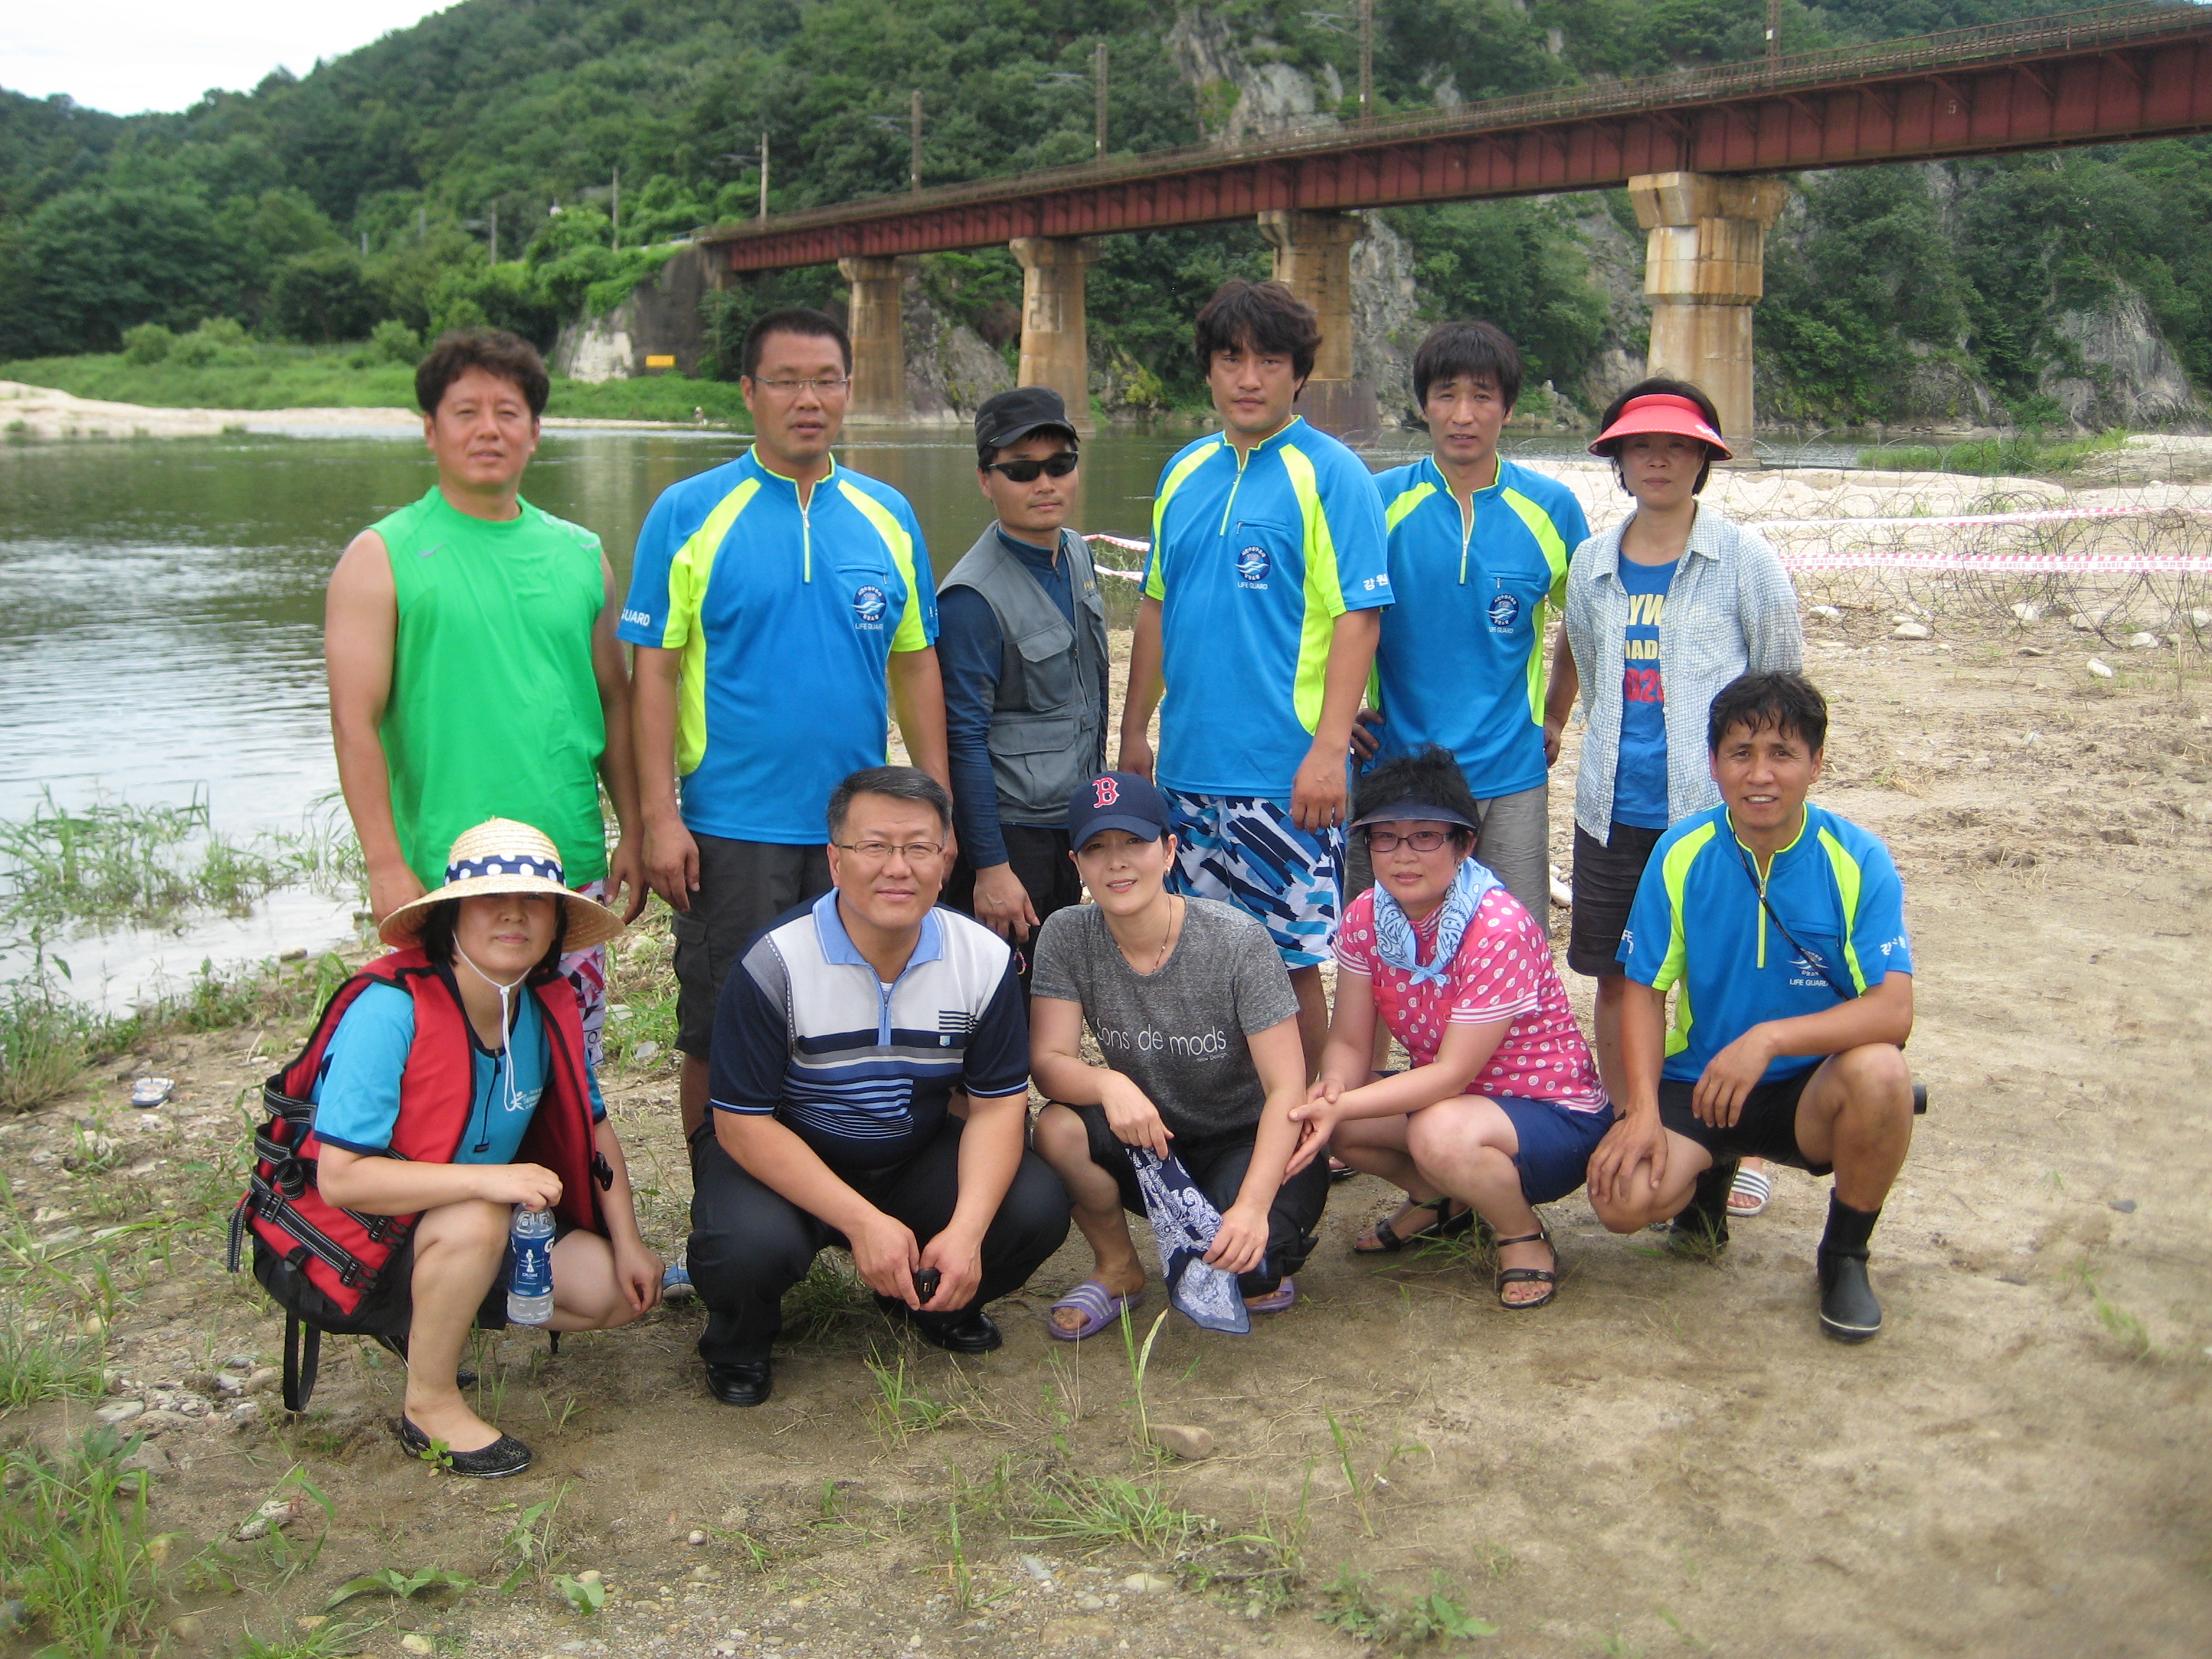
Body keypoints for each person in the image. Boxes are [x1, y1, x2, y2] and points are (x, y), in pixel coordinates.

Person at [619, 307, 953, 1149]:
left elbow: (916, 665)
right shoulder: (689, 511)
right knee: (721, 1027)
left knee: (848, 1019)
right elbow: (652, 673)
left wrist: (935, 810)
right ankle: (720, 1200)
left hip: (859, 835)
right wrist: (659, 817)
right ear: (749, 392)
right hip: (731, 829)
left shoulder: (886, 514)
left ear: (848, 390)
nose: (809, 400)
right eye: (787, 382)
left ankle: (830, 1185)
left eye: (826, 381)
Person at [684, 767, 1069, 1406]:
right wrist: (862, 1222)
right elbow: (741, 1125)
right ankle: (740, 1340)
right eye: (874, 846)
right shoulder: (775, 963)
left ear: (945, 862)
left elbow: (999, 1109)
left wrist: (967, 1231)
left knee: (1034, 1206)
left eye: (919, 847)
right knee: (744, 1245)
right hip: (788, 1158)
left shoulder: (983, 959)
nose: (898, 867)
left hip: (909, 1152)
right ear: (835, 861)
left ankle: (933, 1300)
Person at [325, 328, 645, 1076]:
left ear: (535, 432)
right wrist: (384, 862)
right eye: (465, 412)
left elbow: (614, 700)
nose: (488, 429)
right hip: (446, 867)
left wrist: (635, 826)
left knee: (570, 1061)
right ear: (430, 430)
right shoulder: (382, 555)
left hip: (567, 864)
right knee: (454, 1070)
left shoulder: (581, 554)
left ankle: (569, 1157)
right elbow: (353, 723)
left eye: (508, 412)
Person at [300, 820, 660, 1476]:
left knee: (610, 1290)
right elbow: (342, 1180)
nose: (514, 914)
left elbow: (596, 1127)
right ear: (453, 917)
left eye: (535, 901)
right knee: (477, 1214)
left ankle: (437, 1313)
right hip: (358, 1244)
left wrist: (630, 1242)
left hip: (465, 1227)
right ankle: (428, 1406)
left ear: (557, 924)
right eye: (491, 898)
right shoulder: (390, 1009)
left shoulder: (545, 1006)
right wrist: (489, 1181)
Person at [1586, 673, 1915, 1341]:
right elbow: (1644, 989)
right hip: (1702, 1081)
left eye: (1782, 753)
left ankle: (1844, 1255)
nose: (1760, 775)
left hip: (1808, 1091)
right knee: (1620, 1202)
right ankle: (1706, 1189)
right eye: (1740, 753)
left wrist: (1769, 1040)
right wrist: (1641, 1109)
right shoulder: (1680, 853)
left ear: (1816, 764)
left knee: (1883, 1073)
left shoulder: (1857, 858)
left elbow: (1893, 1012)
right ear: (1713, 764)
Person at [1120, 278, 1391, 1071]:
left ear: (1298, 374)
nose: (1248, 378)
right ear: (1207, 369)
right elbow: (1155, 608)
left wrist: (1329, 751)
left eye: (1269, 361)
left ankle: (1310, 1116)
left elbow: (1359, 616)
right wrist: (1134, 732)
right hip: (1187, 769)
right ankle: (1226, 1110)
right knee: (1192, 956)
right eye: (1230, 359)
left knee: (1289, 963)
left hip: (1285, 776)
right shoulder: (1183, 472)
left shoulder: (1331, 474)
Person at [1561, 377, 1803, 1224]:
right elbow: (1592, 674)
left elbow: (1781, 685)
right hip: (1611, 810)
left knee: (1721, 978)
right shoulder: (1592, 564)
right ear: (1619, 460)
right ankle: (1633, 1121)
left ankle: (1741, 1146)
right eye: (1640, 446)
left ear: (1704, 459)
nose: (1657, 460)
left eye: (1677, 446)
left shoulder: (1745, 560)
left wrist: (1764, 795)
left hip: (1712, 816)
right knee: (1617, 972)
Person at [1288, 750, 1609, 1307]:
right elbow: (1349, 1041)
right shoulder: (1366, 915)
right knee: (1334, 1115)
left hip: (1551, 1116)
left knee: (1433, 1132)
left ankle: (1520, 1232)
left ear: (1465, 844)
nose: (1402, 855)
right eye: (1385, 837)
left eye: (1425, 837)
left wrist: (1342, 1104)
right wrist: (1334, 1090)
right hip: (1452, 1105)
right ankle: (1441, 1200)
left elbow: (1452, 1074)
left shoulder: (1496, 927)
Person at [1030, 771, 1327, 1336]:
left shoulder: (1236, 940)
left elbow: (1286, 1088)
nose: (1117, 863)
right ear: (1077, 864)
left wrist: (1252, 1206)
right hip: (1154, 1140)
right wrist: (1109, 1084)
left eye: (1134, 842)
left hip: (1247, 1136)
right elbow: (1048, 1061)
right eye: (1096, 848)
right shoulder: (1067, 935)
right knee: (1058, 1128)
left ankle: (1258, 1239)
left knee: (1245, 1267)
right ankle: (1118, 1267)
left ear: (1169, 851)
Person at [1361, 321, 1588, 925]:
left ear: (1508, 408)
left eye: (1482, 396)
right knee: (1391, 946)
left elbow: (1587, 617)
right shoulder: (1376, 502)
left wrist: (1556, 713)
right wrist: (1333, 719)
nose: (1463, 415)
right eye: (1447, 395)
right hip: (1398, 768)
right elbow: (1329, 617)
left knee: (1512, 941)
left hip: (1511, 769)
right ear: (1423, 405)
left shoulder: (1551, 509)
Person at [938, 387, 1108, 987]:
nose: (1045, 484)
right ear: (986, 480)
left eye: (1060, 465)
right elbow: (963, 739)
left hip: (1070, 821)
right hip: (1013, 834)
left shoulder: (1076, 554)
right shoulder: (970, 599)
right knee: (997, 1001)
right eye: (1022, 470)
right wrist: (991, 867)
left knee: (1054, 991)